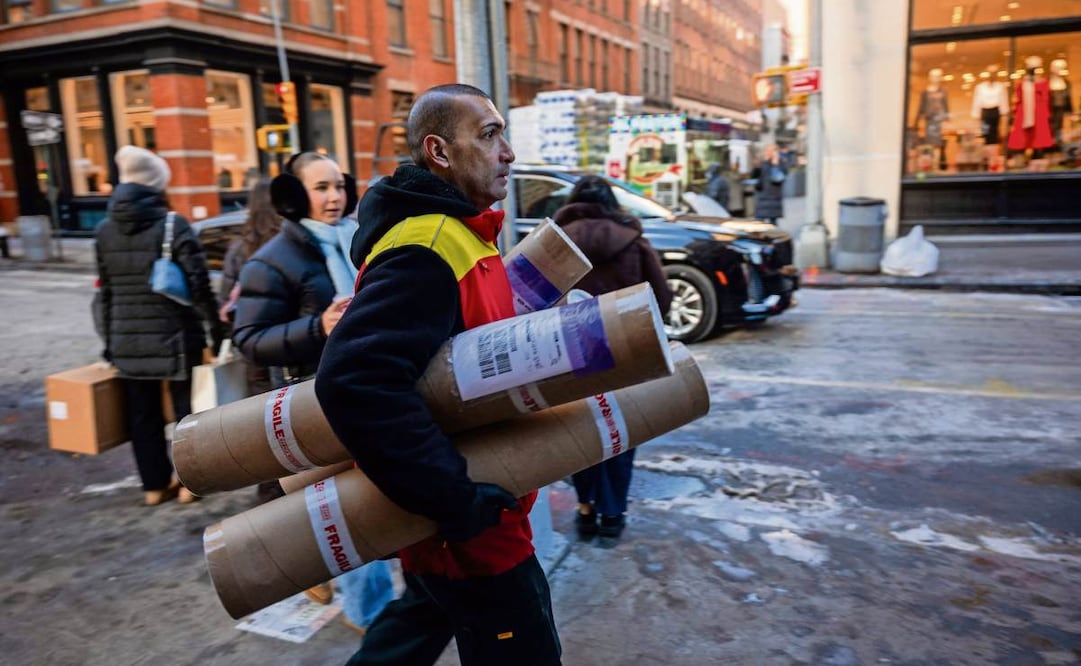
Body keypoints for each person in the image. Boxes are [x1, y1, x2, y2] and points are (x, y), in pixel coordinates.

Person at [315, 83, 562, 665]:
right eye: (489, 134)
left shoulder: (457, 232)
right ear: (440, 151)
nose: (509, 152)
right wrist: (455, 499)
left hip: (464, 524)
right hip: (475, 536)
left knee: (409, 634)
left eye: (504, 133)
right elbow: (354, 380)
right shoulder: (425, 246)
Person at [231, 151, 394, 625]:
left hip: (371, 391)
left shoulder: (359, 241)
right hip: (316, 404)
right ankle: (371, 614)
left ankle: (371, 606)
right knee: (347, 513)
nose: (334, 197)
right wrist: (316, 328)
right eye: (321, 188)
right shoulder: (271, 261)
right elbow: (248, 340)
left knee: (369, 503)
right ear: (295, 195)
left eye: (338, 186)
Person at [94, 145, 224, 506]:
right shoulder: (172, 225)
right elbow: (200, 286)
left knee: (143, 415)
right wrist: (216, 333)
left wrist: (108, 342)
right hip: (176, 336)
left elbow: (104, 292)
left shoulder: (104, 230)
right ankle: (188, 484)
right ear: (157, 184)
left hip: (125, 340)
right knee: (186, 416)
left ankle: (153, 486)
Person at [551, 175, 672, 540]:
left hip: (568, 355)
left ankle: (585, 507)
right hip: (625, 354)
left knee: (580, 429)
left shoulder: (553, 244)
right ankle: (613, 513)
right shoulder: (633, 241)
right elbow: (662, 299)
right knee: (621, 429)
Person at [216, 178, 285, 504]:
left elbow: (225, 310)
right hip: (287, 345)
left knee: (266, 426)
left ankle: (270, 492)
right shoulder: (289, 243)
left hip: (254, 352)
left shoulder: (238, 249)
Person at [751, 144, 786, 225]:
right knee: (758, 222)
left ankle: (774, 236)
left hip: (773, 197)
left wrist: (775, 165)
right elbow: (755, 176)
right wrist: (757, 166)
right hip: (762, 196)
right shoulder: (763, 163)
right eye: (767, 151)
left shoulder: (780, 163)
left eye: (771, 151)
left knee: (772, 223)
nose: (767, 153)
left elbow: (777, 178)